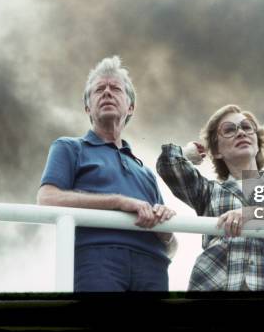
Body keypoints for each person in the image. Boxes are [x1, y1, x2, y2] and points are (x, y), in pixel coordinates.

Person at [38, 56, 177, 291]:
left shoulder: (145, 171)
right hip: (97, 259)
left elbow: (171, 247)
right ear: (87, 107)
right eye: (99, 89)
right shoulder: (69, 148)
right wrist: (117, 202)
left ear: (130, 106)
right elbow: (47, 199)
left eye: (115, 89)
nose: (107, 93)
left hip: (154, 266)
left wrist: (166, 231)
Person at [156, 104, 264, 291]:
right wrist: (188, 153)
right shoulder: (208, 191)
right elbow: (169, 166)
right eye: (229, 130)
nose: (241, 133)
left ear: (257, 142)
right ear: (217, 150)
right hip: (212, 283)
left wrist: (252, 213)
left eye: (246, 127)